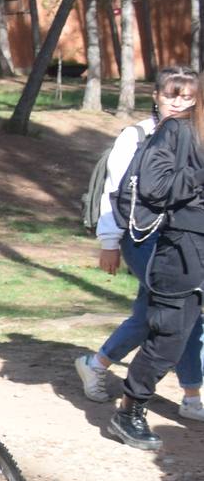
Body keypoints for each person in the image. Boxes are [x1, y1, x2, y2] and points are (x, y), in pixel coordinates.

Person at [76, 67, 202, 420]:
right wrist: (109, 242)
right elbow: (112, 193)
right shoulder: (137, 135)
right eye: (171, 94)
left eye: (188, 96)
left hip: (178, 242)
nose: (179, 102)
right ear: (156, 96)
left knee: (181, 312)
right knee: (168, 313)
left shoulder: (193, 135)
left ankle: (191, 392)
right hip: (141, 238)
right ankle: (98, 363)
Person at [107, 87, 204, 452]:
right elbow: (155, 188)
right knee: (169, 337)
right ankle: (129, 411)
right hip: (184, 248)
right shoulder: (176, 130)